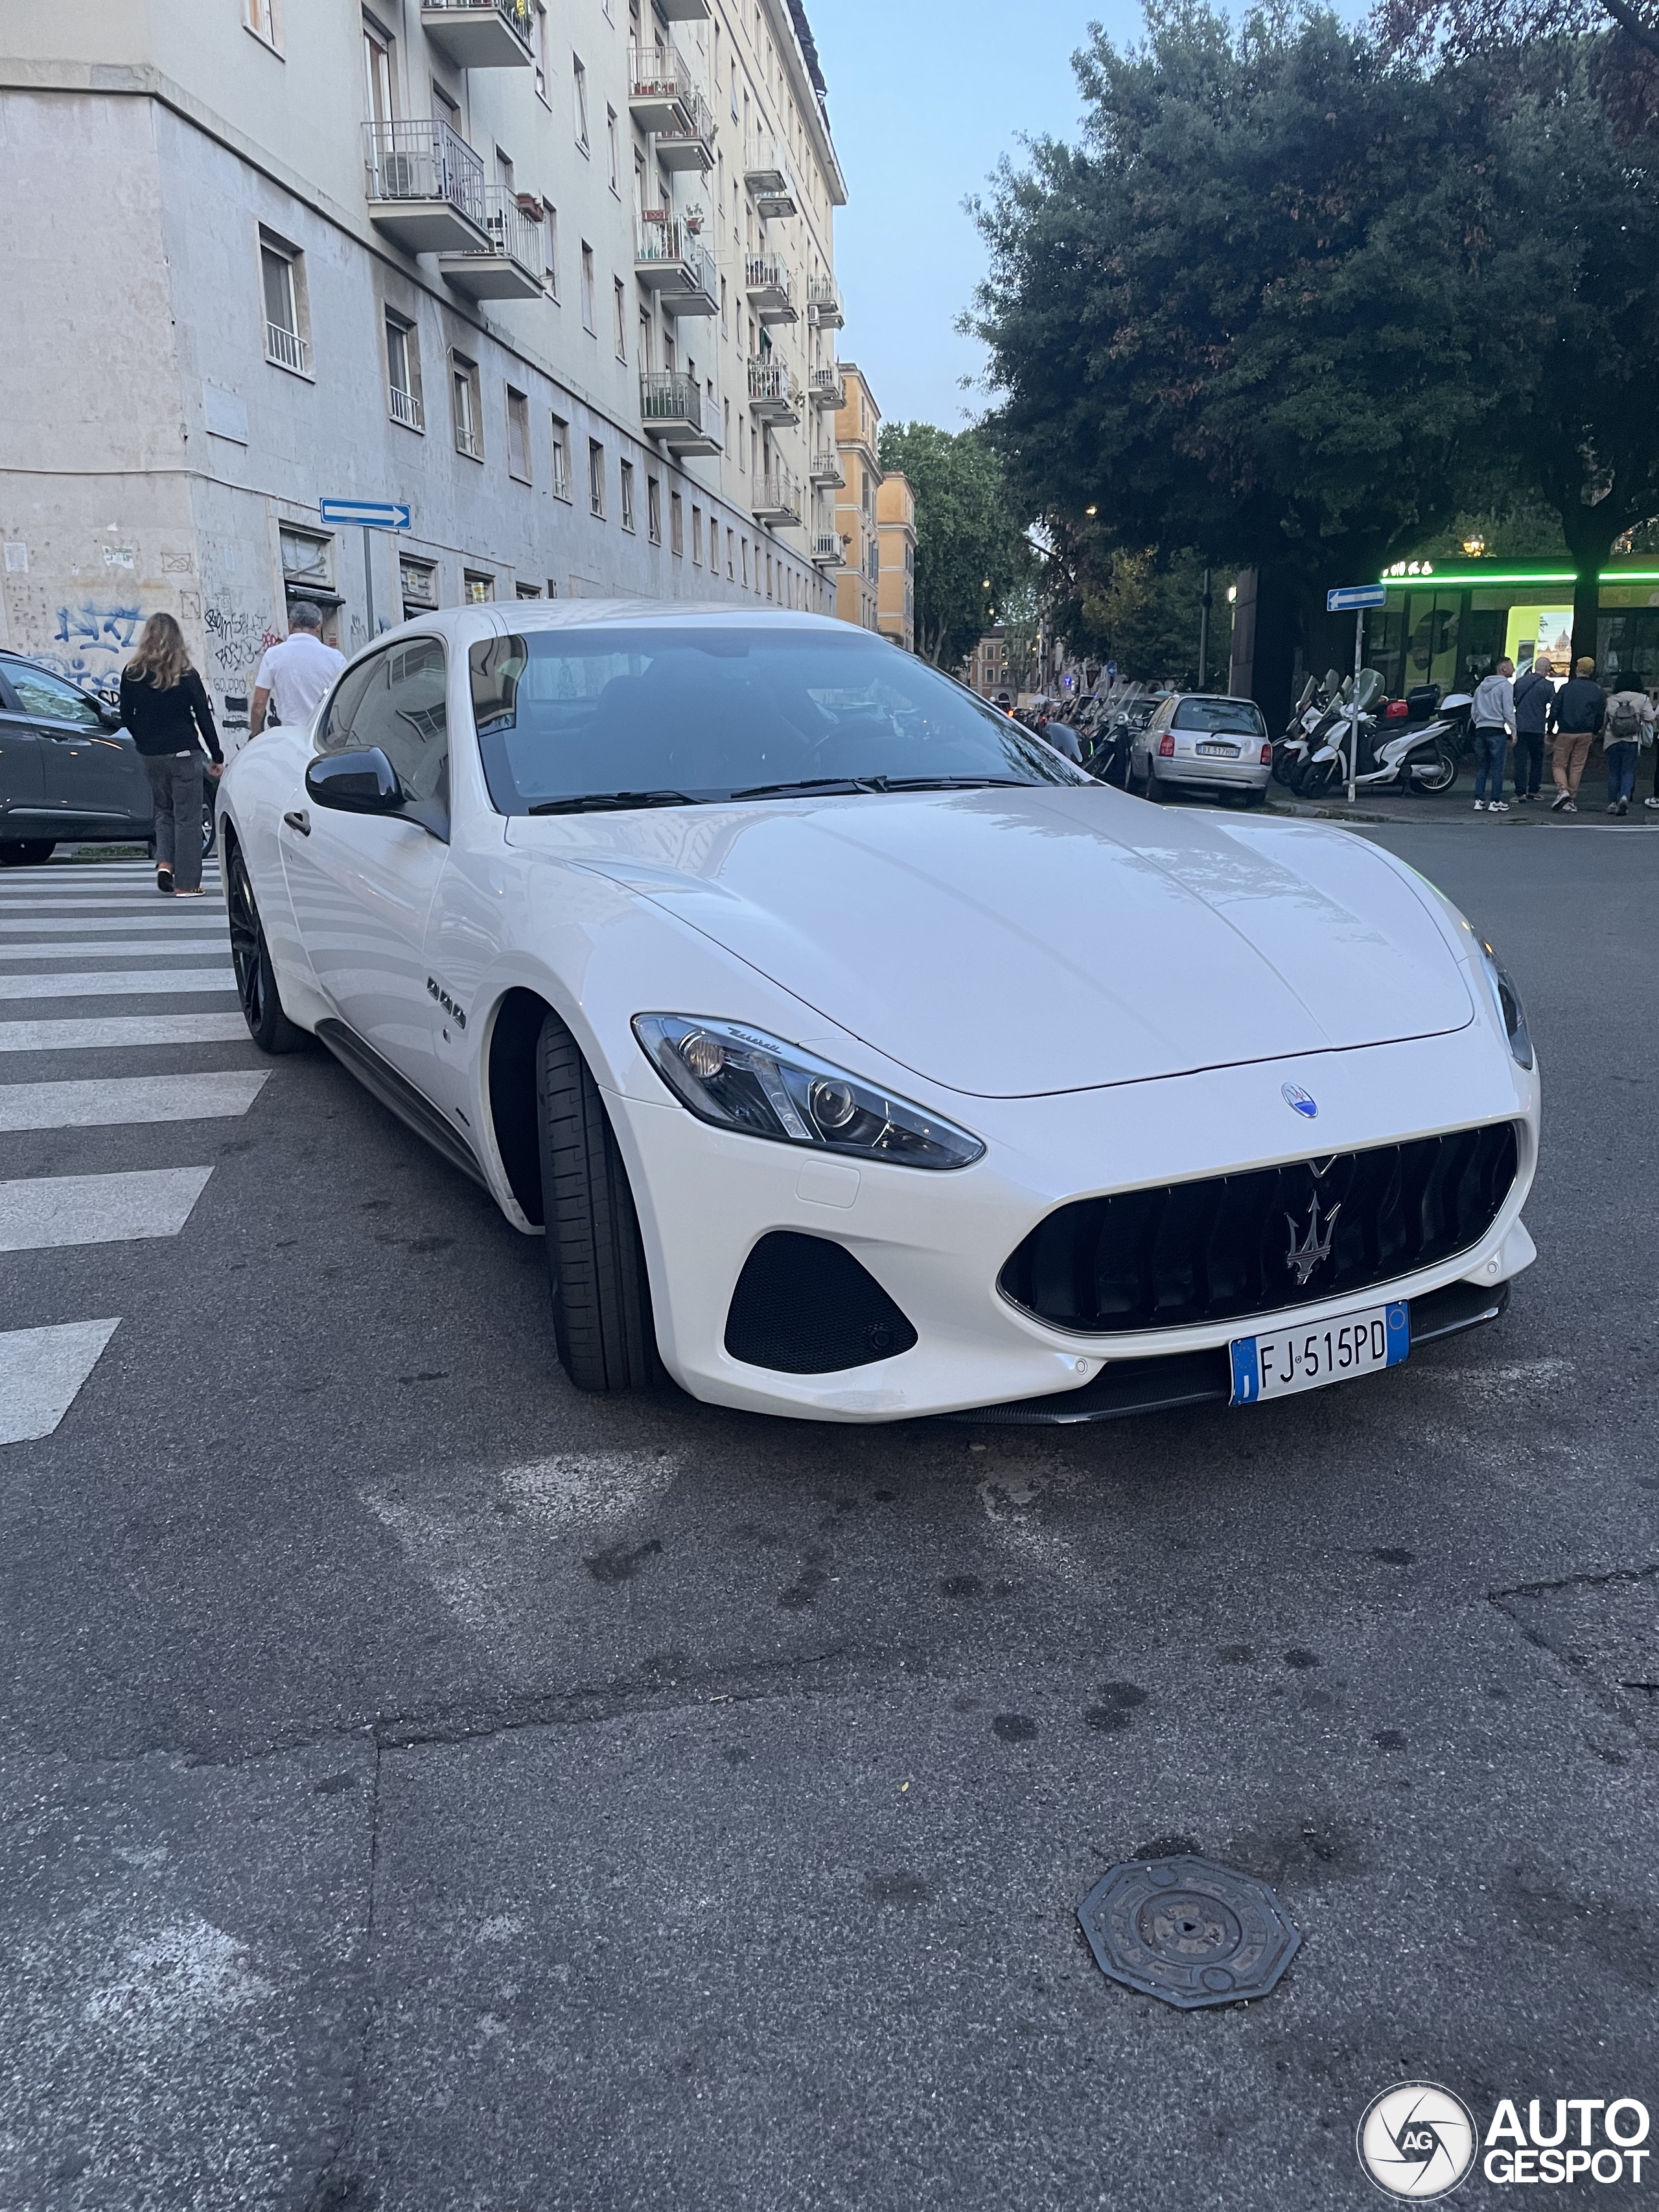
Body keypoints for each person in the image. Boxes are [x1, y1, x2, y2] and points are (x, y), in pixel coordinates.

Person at [117, 612, 223, 897]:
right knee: (187, 818)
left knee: (163, 811)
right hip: (184, 752)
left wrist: (144, 741)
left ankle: (165, 864)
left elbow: (126, 715)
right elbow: (203, 716)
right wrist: (217, 755)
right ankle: (188, 884)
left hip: (152, 755)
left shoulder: (132, 673)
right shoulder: (186, 674)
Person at [249, 601, 345, 737]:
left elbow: (259, 703)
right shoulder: (336, 658)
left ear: (291, 625)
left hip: (291, 736)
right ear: (319, 626)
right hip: (324, 736)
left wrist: (256, 733)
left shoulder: (273, 655)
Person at [1549, 655, 1605, 813]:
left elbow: (1555, 709)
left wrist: (1550, 730)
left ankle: (1563, 791)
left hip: (1566, 731)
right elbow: (1600, 713)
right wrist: (1595, 731)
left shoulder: (1567, 688)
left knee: (1559, 764)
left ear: (1578, 669)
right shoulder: (1597, 690)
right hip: (1586, 732)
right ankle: (1571, 799)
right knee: (1577, 766)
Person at [1468, 657, 1515, 813]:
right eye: (1511, 666)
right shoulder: (1505, 686)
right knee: (1498, 768)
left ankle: (1479, 800)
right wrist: (1513, 730)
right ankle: (1495, 801)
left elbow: (1474, 711)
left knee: (1482, 767)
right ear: (1503, 668)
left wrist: (1480, 722)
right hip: (1497, 730)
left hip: (1481, 729)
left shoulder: (1480, 688)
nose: (1514, 670)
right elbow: (1508, 710)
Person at [1602, 684, 1654, 817]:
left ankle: (1612, 803)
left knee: (1613, 771)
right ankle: (1625, 797)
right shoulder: (1642, 698)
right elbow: (1650, 717)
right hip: (1632, 739)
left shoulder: (1611, 700)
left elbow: (1604, 722)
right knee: (1628, 771)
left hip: (1612, 740)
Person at [1510, 655, 1555, 804]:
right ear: (1547, 669)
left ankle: (1520, 792)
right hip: (1537, 728)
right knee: (1537, 760)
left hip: (1520, 726)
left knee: (1520, 761)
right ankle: (1534, 790)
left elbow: (1513, 701)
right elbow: (1553, 705)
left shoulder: (1520, 682)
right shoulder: (1548, 686)